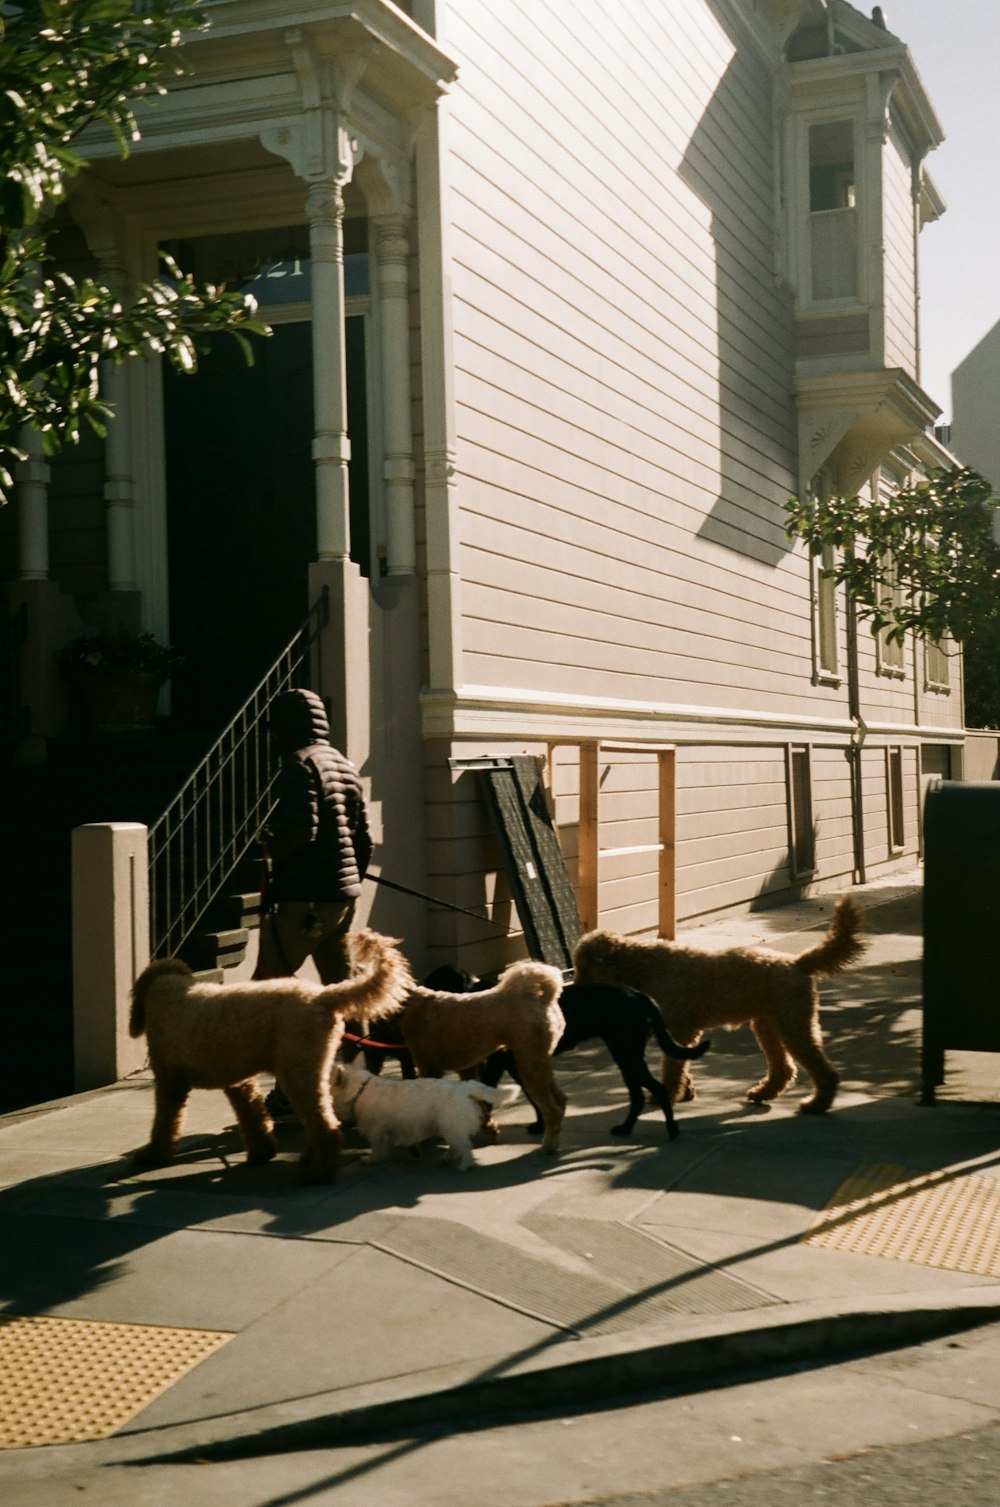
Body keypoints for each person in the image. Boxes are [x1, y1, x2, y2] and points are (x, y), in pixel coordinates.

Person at [254, 687, 372, 1115]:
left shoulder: (298, 764)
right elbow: (363, 839)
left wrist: (267, 848)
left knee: (269, 991)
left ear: (286, 727)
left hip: (305, 899)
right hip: (341, 898)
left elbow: (301, 832)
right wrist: (348, 881)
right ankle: (359, 1078)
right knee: (343, 994)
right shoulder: (344, 763)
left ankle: (290, 1087)